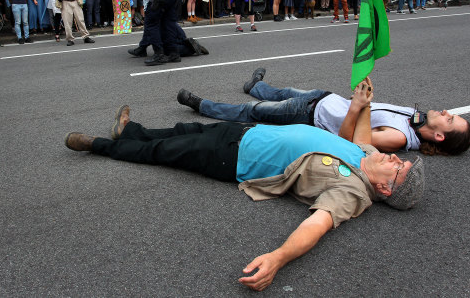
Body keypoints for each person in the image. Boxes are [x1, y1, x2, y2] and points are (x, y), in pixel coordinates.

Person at [64, 79, 426, 291]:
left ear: (385, 191)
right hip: (250, 133)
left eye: (399, 169)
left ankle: (98, 145)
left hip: (236, 159)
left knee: (164, 152)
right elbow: (348, 137)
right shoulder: (365, 152)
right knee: (182, 130)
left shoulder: (353, 192)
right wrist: (360, 105)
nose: (395, 159)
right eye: (401, 158)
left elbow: (317, 224)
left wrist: (278, 258)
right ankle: (130, 131)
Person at [176, 69, 470, 156]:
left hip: (310, 116)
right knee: (280, 91)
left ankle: (201, 105)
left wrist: (360, 104)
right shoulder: (414, 116)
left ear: (438, 136)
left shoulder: (398, 138)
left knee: (252, 112)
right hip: (323, 98)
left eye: (450, 120)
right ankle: (255, 84)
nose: (447, 112)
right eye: (451, 114)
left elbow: (350, 143)